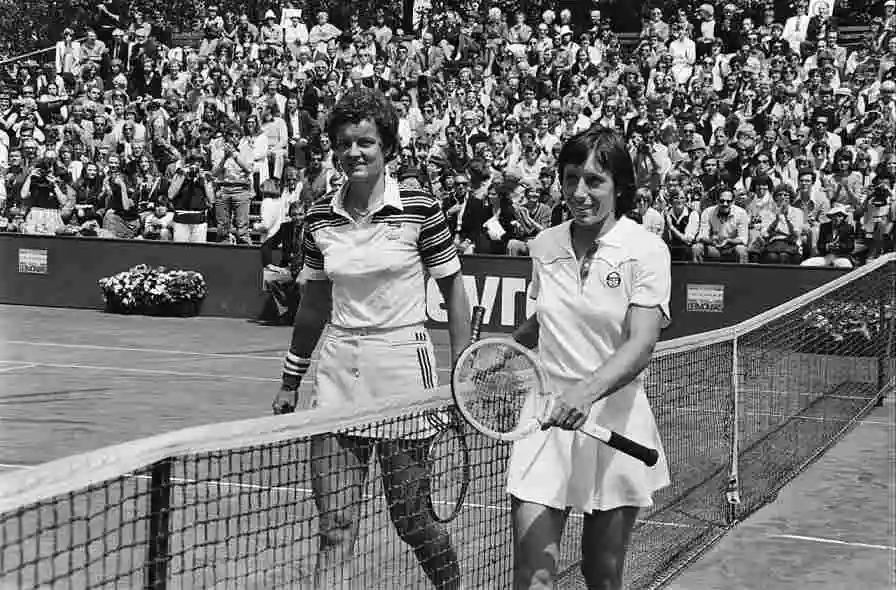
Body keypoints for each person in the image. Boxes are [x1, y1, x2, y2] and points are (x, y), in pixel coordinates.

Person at [270, 87, 470, 589]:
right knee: (335, 528)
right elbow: (314, 305)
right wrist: (291, 379)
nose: (354, 153)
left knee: (412, 522)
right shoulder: (318, 216)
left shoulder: (420, 207)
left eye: (365, 142)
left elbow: (454, 293)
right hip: (337, 373)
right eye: (344, 144)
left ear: (388, 148)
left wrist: (462, 372)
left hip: (403, 372)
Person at [506, 126, 670, 590]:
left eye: (594, 180)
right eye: (570, 178)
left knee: (601, 572)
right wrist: (502, 351)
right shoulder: (544, 245)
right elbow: (547, 318)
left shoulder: (647, 250)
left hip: (616, 419)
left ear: (619, 186)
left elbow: (641, 343)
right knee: (533, 575)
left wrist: (586, 393)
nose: (579, 192)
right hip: (545, 418)